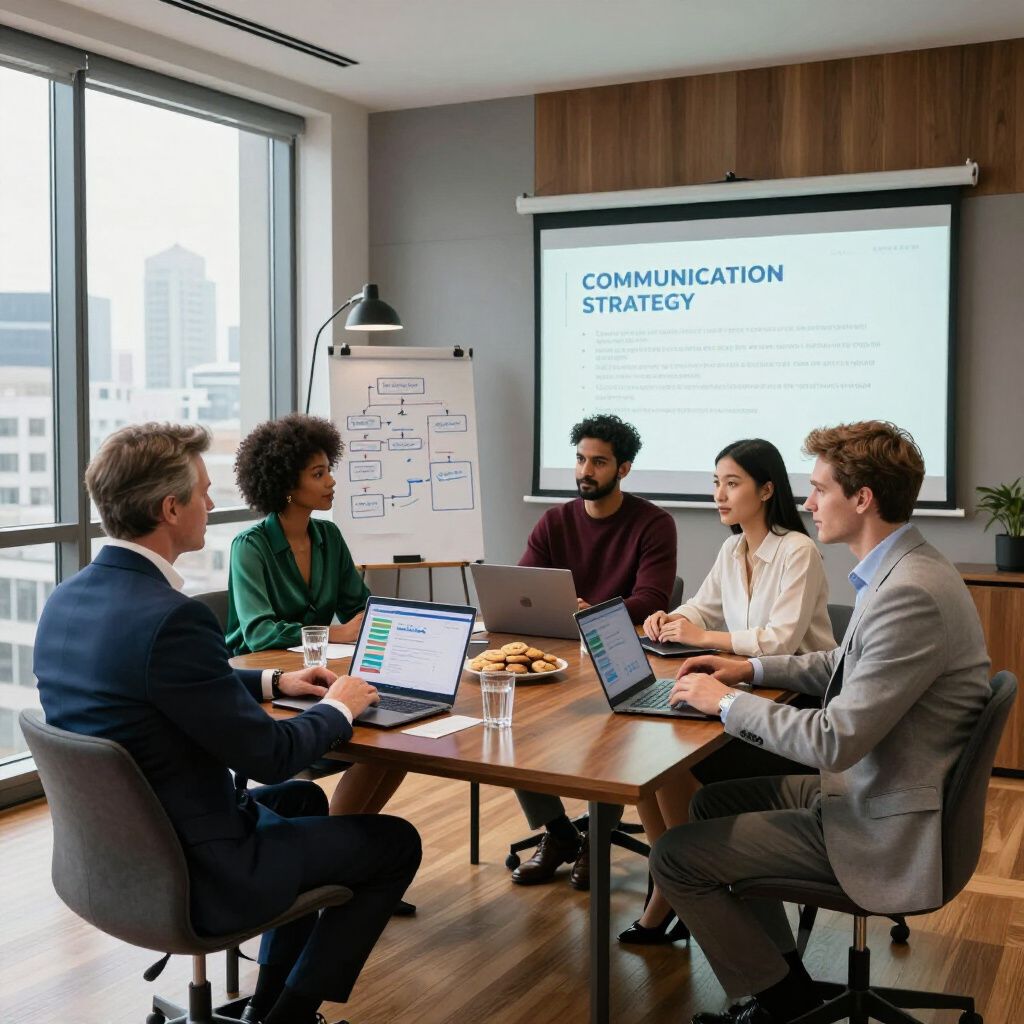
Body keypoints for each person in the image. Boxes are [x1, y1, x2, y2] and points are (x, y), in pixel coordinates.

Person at [33, 423, 422, 1024]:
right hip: (196, 870)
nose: (212, 505)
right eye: (203, 493)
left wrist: (274, 681)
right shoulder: (173, 619)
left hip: (111, 860)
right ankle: (290, 1018)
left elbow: (150, 682)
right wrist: (338, 707)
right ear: (169, 508)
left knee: (301, 804)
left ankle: (269, 1006)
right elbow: (271, 755)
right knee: (396, 842)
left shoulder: (67, 600)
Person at [650, 421, 990, 1024]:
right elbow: (839, 661)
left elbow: (834, 740)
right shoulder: (901, 569)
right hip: (883, 787)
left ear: (861, 499)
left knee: (674, 857)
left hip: (882, 821)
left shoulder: (908, 591)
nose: (806, 502)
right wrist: (747, 670)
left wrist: (721, 703)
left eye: (818, 489)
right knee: (710, 805)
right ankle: (788, 983)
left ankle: (780, 1004)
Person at [622, 438, 834, 945]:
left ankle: (674, 887)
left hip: (796, 711)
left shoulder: (797, 550)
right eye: (716, 483)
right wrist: (671, 619)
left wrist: (702, 637)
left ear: (765, 490)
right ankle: (671, 882)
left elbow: (779, 640)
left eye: (732, 483)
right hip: (749, 695)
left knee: (671, 764)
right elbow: (702, 607)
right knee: (656, 764)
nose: (719, 494)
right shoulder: (732, 547)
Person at [511, 413, 677, 889]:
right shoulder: (555, 520)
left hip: (620, 656)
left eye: (599, 462)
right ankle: (560, 832)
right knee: (516, 725)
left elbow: (652, 600)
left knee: (614, 733)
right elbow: (526, 587)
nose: (586, 470)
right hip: (562, 652)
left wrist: (593, 612)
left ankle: (598, 838)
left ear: (623, 468)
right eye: (581, 459)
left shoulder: (654, 524)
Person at [227, 413, 406, 822]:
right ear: (288, 485)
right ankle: (332, 844)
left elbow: (361, 607)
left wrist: (384, 626)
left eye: (329, 470)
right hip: (265, 687)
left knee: (397, 738)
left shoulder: (329, 537)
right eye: (318, 473)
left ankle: (335, 838)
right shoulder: (249, 547)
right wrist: (339, 632)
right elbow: (259, 634)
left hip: (319, 678)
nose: (332, 482)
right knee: (385, 737)